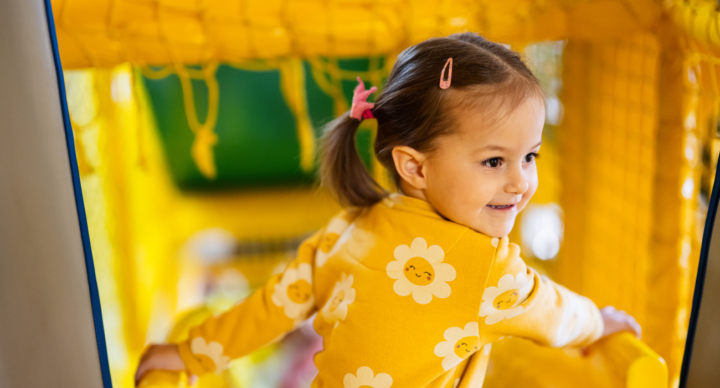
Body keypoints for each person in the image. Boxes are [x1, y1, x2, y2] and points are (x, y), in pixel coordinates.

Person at [135, 32, 641, 387]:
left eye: (529, 156)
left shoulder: (351, 227)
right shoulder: (486, 269)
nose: (521, 182)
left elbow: (268, 310)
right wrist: (603, 323)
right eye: (493, 160)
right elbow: (557, 316)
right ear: (414, 168)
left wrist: (186, 354)